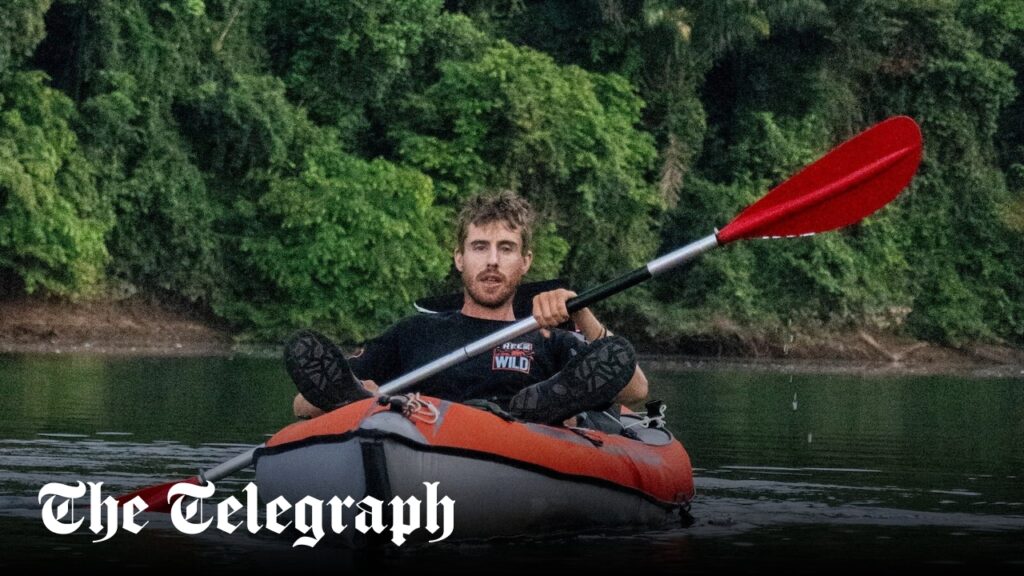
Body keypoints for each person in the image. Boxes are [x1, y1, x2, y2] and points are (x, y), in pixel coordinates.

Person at [287, 190, 647, 425]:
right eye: (479, 247)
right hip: (419, 433)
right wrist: (366, 396)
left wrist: (581, 313)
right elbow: (303, 404)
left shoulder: (548, 337)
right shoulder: (414, 332)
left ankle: (543, 409)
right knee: (358, 397)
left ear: (525, 262)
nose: (492, 261)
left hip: (521, 445)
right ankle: (365, 403)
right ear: (459, 258)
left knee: (541, 405)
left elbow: (634, 391)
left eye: (506, 248)